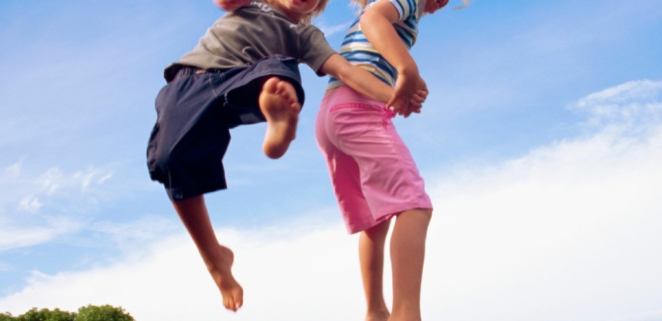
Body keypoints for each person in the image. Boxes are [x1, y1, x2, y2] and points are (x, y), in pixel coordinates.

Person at [146, 0, 426, 312]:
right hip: (189, 81)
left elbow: (346, 71)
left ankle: (281, 122)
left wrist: (394, 97)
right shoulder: (250, 6)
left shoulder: (305, 34)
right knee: (170, 162)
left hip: (248, 80)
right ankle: (216, 260)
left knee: (279, 72)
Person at [314, 0, 462, 319]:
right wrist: (407, 68)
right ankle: (406, 312)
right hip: (358, 111)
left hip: (331, 114)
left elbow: (372, 32)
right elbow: (372, 18)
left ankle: (375, 311)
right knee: (414, 206)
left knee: (374, 220)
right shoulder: (405, 1)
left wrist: (399, 90)